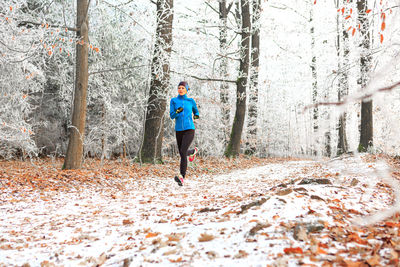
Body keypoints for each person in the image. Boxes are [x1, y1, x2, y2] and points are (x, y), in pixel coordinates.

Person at [170, 81, 199, 186]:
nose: (180, 89)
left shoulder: (190, 101)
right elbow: (172, 116)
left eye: (183, 88)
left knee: (182, 152)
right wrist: (177, 112)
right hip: (179, 130)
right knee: (182, 152)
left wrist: (196, 116)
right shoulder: (173, 101)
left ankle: (182, 177)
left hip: (189, 129)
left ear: (186, 89)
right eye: (179, 88)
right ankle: (192, 151)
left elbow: (196, 111)